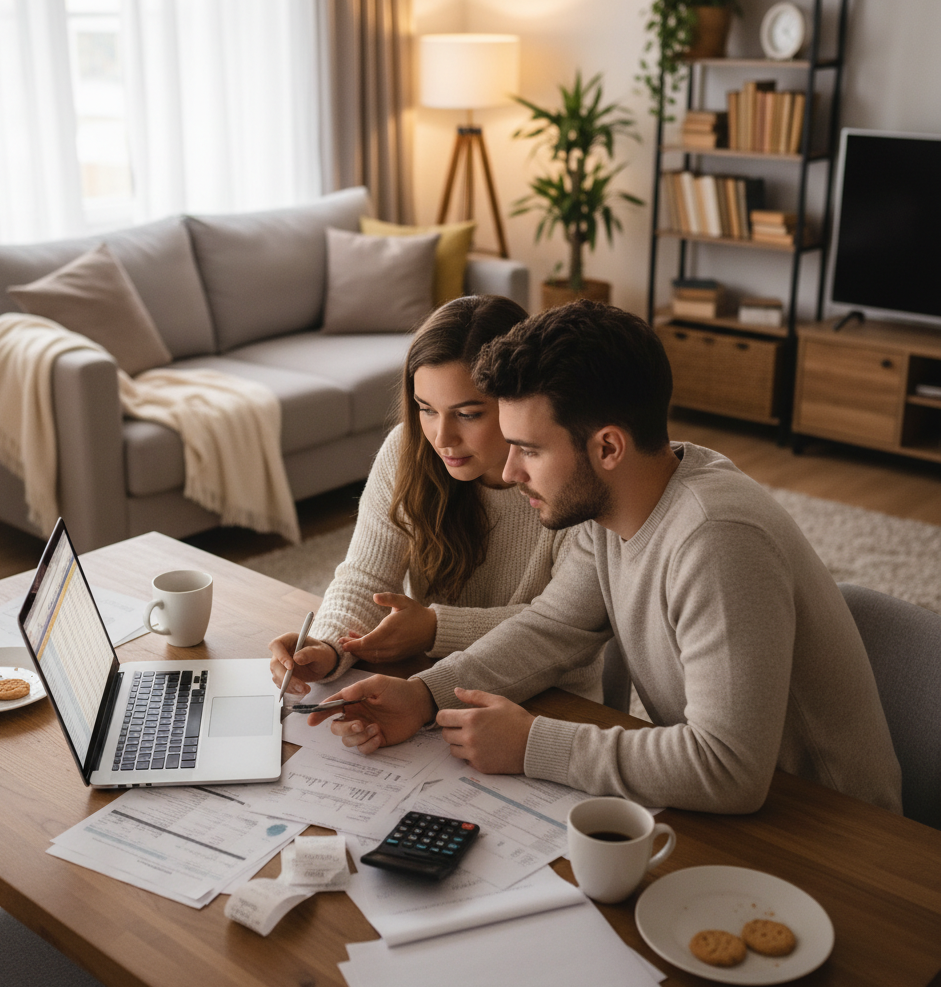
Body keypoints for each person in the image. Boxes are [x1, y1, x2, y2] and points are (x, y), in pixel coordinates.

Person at [311, 302, 903, 816]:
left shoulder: (717, 539)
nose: (511, 473)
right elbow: (549, 629)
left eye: (529, 450)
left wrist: (531, 744)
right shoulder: (608, 512)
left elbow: (728, 768)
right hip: (733, 809)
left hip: (831, 828)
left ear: (608, 447)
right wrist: (423, 696)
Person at [269, 295, 600, 701]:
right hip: (432, 682)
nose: (442, 439)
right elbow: (366, 578)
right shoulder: (407, 451)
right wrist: (327, 644)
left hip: (552, 699)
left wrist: (433, 629)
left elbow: (562, 628)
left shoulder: (571, 478)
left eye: (467, 414)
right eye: (426, 409)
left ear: (519, 399)